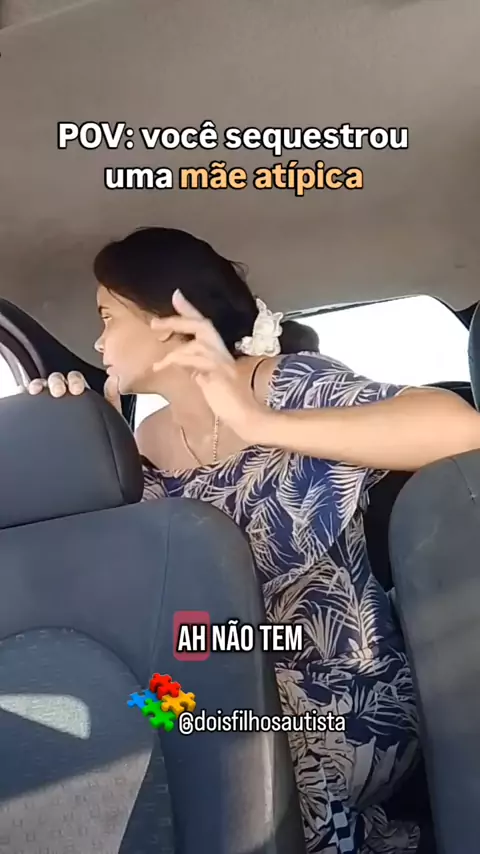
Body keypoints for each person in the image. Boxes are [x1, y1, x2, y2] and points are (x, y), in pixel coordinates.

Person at [28, 227, 480, 854]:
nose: (99, 342)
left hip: (340, 683)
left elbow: (461, 429)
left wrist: (255, 421)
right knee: (92, 731)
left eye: (108, 317)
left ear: (168, 319)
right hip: (214, 680)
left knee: (228, 766)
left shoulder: (288, 383)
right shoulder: (139, 444)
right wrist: (67, 433)